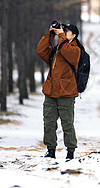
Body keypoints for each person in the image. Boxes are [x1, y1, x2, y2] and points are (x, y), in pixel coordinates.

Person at [36, 22, 81, 160]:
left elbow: (66, 51)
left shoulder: (76, 50)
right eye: (63, 30)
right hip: (51, 92)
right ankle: (50, 151)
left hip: (66, 93)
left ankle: (70, 152)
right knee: (49, 122)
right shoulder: (56, 50)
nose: (63, 32)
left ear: (73, 35)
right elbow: (40, 51)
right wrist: (49, 34)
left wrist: (60, 35)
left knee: (67, 124)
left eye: (66, 31)